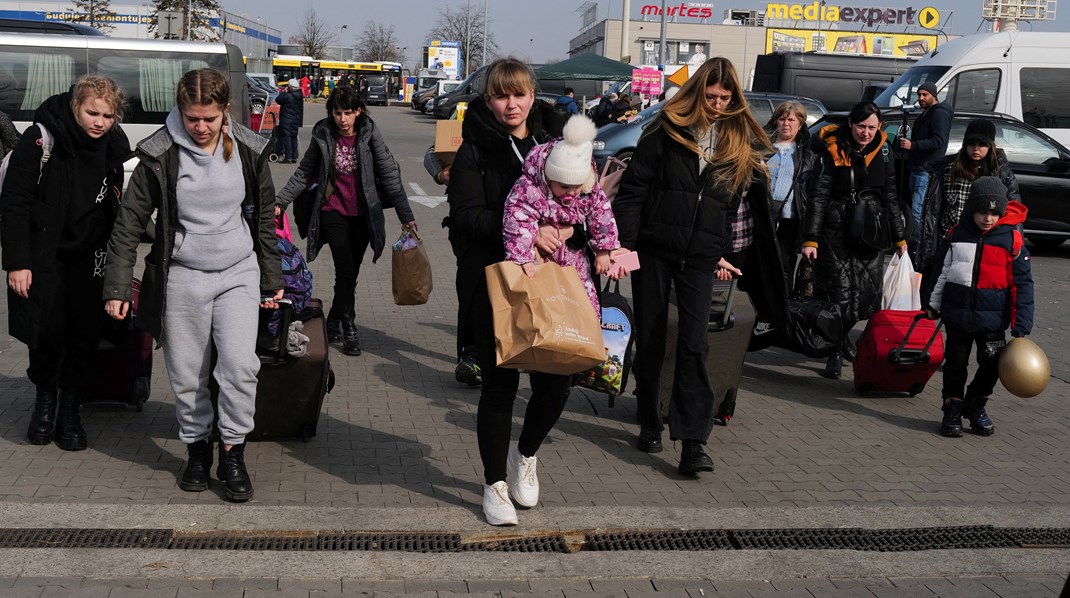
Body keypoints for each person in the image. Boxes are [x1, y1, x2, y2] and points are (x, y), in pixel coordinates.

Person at [103, 68, 283, 502]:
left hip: (238, 272)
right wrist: (117, 286)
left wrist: (272, 277)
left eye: (209, 118)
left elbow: (264, 215)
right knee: (188, 376)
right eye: (191, 118)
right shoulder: (160, 153)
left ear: (226, 112)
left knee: (240, 367)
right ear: (180, 112)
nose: (200, 127)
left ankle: (233, 451)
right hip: (182, 275)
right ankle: (197, 451)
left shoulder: (248, 149)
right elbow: (128, 222)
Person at [613, 57, 772, 476]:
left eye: (725, 98)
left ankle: (693, 441)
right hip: (654, 250)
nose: (718, 104)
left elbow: (728, 205)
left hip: (700, 257)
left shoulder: (736, 142)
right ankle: (649, 419)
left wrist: (717, 247)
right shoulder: (665, 131)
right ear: (697, 92)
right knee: (651, 338)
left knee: (695, 345)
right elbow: (632, 192)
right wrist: (623, 247)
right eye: (711, 95)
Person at [447, 57, 572, 526]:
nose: (511, 104)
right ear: (488, 99)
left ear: (532, 95)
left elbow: (581, 201)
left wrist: (568, 232)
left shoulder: (553, 143)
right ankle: (494, 484)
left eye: (519, 94)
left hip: (551, 279)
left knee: (557, 383)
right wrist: (523, 228)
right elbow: (465, 217)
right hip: (495, 281)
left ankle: (528, 453)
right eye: (501, 95)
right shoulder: (475, 148)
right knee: (499, 387)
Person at [0, 75, 131, 451]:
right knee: (46, 331)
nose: (99, 122)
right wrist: (17, 262)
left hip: (91, 256)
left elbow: (117, 202)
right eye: (92, 113)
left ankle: (70, 409)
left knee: (84, 334)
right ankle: (45, 402)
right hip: (45, 256)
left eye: (108, 115)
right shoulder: (40, 139)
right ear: (76, 106)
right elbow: (14, 203)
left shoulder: (114, 143)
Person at [275, 86, 415, 357]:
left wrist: (406, 216)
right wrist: (280, 201)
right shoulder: (323, 134)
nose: (342, 119)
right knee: (345, 270)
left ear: (358, 112)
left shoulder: (370, 134)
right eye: (337, 113)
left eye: (348, 113)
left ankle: (334, 320)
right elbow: (304, 172)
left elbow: (389, 174)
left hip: (364, 215)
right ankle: (349, 328)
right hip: (333, 211)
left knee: (352, 273)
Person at [803, 101, 909, 379]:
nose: (866, 132)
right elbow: (819, 195)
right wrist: (811, 238)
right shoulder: (833, 149)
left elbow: (891, 196)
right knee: (837, 294)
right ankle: (834, 351)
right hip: (835, 229)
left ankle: (841, 337)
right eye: (861, 126)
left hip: (872, 232)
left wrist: (900, 238)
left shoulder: (884, 150)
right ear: (851, 123)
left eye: (872, 127)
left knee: (865, 297)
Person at [926, 176, 1033, 438]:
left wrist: (1022, 322)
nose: (988, 218)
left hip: (993, 320)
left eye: (995, 213)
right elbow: (941, 272)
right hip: (958, 316)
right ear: (971, 209)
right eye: (982, 212)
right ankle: (951, 407)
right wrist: (931, 304)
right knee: (955, 365)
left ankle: (975, 404)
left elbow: (1023, 284)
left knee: (992, 365)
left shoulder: (1012, 241)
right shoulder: (956, 234)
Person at [915, 118, 1020, 286]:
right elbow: (934, 211)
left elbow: (1014, 213)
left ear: (991, 145)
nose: (976, 149)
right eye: (971, 143)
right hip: (950, 241)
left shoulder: (1001, 173)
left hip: (984, 243)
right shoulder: (948, 170)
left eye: (982, 144)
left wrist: (1014, 248)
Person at [765, 101, 817, 286]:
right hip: (764, 217)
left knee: (784, 266)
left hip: (790, 219)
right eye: (782, 119)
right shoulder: (763, 147)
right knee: (762, 266)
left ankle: (783, 310)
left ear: (800, 124)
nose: (786, 124)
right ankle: (763, 311)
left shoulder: (807, 153)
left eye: (791, 120)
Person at [900, 81, 952, 235]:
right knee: (915, 210)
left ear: (934, 96)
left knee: (918, 211)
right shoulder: (927, 113)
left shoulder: (939, 114)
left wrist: (913, 145)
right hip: (918, 167)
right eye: (919, 95)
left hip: (925, 169)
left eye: (925, 95)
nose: (921, 98)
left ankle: (918, 246)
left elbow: (938, 141)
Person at [274, 78, 304, 164]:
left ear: (290, 87)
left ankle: (288, 157)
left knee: (287, 137)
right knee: (294, 137)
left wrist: (284, 92)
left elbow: (278, 100)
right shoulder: (300, 95)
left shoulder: (287, 96)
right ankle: (294, 156)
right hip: (296, 119)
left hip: (287, 119)